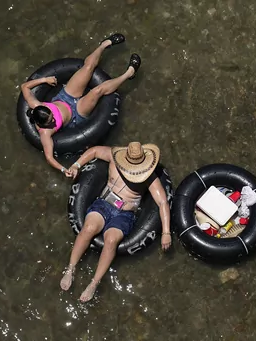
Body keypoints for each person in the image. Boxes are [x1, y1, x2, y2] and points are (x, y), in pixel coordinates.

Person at [59, 142, 172, 302]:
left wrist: (166, 232)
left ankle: (94, 282)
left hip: (124, 214)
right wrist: (77, 164)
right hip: (104, 203)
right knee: (89, 228)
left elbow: (162, 203)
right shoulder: (115, 156)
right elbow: (95, 151)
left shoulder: (148, 176)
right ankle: (70, 269)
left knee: (111, 240)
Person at [20, 33, 142, 175]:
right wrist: (64, 169)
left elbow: (24, 87)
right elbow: (49, 157)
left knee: (88, 67)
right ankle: (129, 73)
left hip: (65, 96)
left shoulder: (35, 105)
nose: (53, 119)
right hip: (76, 114)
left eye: (51, 115)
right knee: (97, 91)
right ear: (43, 125)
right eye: (50, 121)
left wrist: (44, 80)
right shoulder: (45, 134)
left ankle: (104, 44)